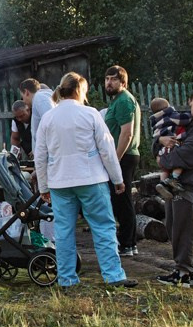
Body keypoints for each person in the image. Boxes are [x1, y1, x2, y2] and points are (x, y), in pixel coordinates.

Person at [34, 72, 135, 289]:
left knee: (64, 232)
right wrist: (117, 179)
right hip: (92, 180)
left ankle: (67, 278)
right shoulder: (90, 114)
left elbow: (40, 155)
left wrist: (43, 186)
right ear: (81, 91)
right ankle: (113, 275)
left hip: (60, 182)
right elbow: (107, 149)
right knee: (103, 227)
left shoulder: (48, 118)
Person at [154, 86, 193, 287]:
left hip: (189, 185)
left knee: (184, 230)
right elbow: (160, 139)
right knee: (173, 227)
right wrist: (160, 142)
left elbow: (187, 154)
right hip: (175, 185)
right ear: (190, 102)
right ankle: (189, 269)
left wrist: (163, 160)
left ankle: (184, 273)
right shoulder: (186, 124)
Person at [101, 66, 142, 258]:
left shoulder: (124, 100)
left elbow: (127, 133)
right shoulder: (116, 101)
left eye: (114, 79)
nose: (109, 83)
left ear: (123, 83)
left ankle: (128, 244)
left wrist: (115, 161)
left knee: (123, 201)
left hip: (124, 156)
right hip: (120, 156)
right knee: (118, 201)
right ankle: (126, 241)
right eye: (107, 79)